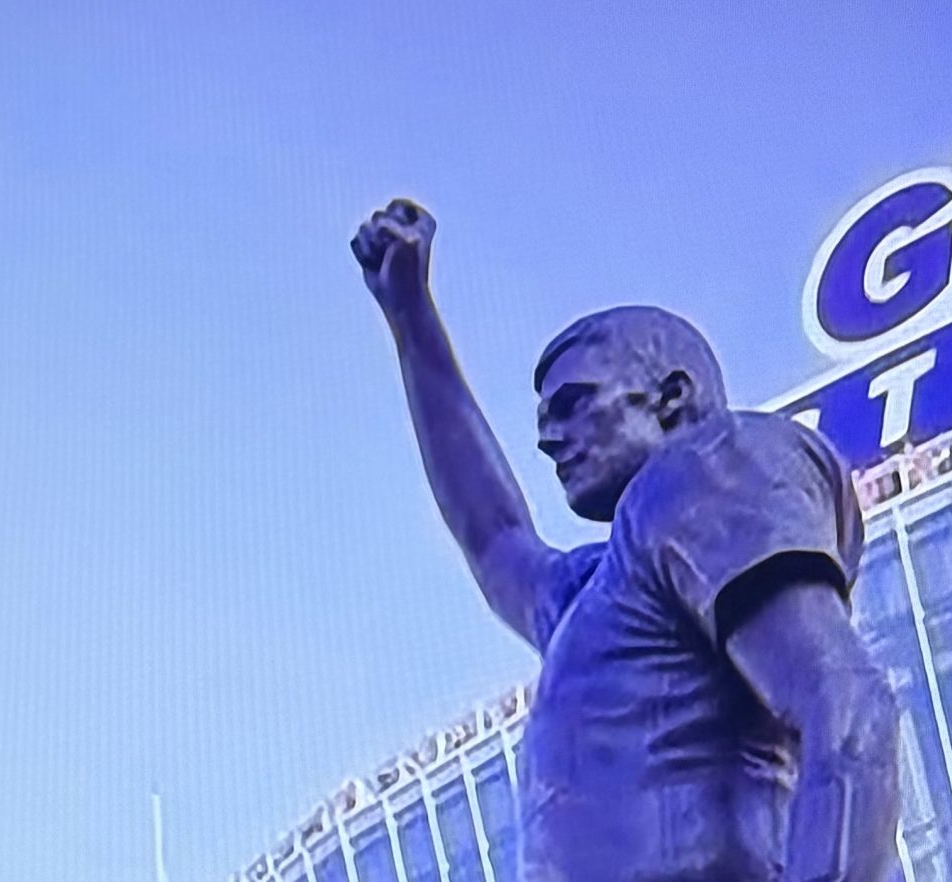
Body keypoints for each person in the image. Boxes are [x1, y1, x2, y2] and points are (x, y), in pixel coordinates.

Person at [351, 199, 900, 882]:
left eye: (574, 403)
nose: (549, 437)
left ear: (671, 399)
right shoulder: (593, 597)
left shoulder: (704, 470)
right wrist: (410, 316)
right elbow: (493, 535)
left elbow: (847, 705)